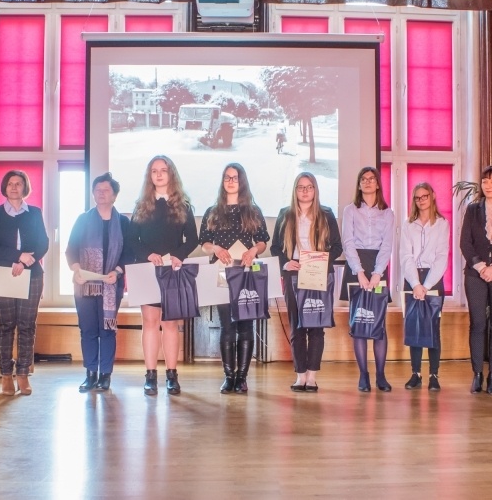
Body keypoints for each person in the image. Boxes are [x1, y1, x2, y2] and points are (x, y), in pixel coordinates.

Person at [129, 156, 198, 396]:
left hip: (173, 270)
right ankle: (150, 376)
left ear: (172, 174)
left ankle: (172, 375)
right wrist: (148, 254)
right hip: (147, 270)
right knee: (150, 323)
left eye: (163, 170)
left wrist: (178, 255)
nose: (158, 175)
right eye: (154, 171)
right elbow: (131, 241)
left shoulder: (184, 205)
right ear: (149, 176)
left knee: (170, 324)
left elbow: (193, 239)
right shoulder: (141, 205)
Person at [199, 163, 270, 394]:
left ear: (242, 182)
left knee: (246, 325)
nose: (231, 181)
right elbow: (204, 244)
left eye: (235, 178)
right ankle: (229, 377)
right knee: (227, 326)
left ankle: (242, 377)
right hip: (221, 271)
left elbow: (262, 240)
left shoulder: (253, 210)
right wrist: (216, 248)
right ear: (222, 181)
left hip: (246, 273)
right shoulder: (212, 211)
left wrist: (254, 251)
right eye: (227, 177)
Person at [271, 172, 343, 392]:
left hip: (318, 273)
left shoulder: (326, 214)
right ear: (295, 190)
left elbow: (338, 247)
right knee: (297, 327)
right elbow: (275, 248)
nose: (305, 191)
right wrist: (285, 263)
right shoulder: (285, 215)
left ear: (315, 190)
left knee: (316, 327)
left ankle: (312, 377)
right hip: (293, 274)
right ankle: (300, 376)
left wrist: (320, 261)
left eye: (309, 187)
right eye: (300, 187)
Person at [0, 170, 49, 396]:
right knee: (5, 325)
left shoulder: (34, 213)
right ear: (5, 187)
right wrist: (17, 257)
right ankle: (5, 375)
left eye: (18, 183)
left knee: (27, 326)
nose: (14, 187)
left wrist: (26, 261)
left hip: (31, 274)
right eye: (10, 183)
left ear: (25, 187)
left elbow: (43, 242)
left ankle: (22, 374)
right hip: (2, 273)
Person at [66, 172, 132, 393]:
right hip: (85, 285)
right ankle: (90, 374)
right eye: (97, 190)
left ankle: (105, 375)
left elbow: (129, 253)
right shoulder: (83, 219)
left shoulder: (123, 222)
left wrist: (118, 271)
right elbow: (71, 250)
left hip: (112, 285)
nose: (101, 194)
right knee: (88, 330)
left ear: (114, 195)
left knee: (107, 330)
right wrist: (77, 270)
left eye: (106, 190)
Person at [459, 165, 492, 395]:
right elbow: (465, 243)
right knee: (478, 324)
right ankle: (477, 374)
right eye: (485, 181)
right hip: (475, 274)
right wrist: (482, 267)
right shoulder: (472, 210)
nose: (488, 185)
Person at [340, 167, 394, 392]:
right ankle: (364, 376)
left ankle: (381, 375)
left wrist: (377, 273)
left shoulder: (388, 213)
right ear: (359, 185)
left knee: (379, 324)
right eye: (364, 179)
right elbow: (348, 242)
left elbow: (387, 244)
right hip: (356, 264)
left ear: (378, 184)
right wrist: (360, 271)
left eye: (372, 179)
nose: (368, 182)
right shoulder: (350, 210)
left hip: (378, 266)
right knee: (359, 321)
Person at [401, 182, 450, 392]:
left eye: (424, 196)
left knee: (433, 329)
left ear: (433, 196)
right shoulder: (407, 224)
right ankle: (416, 374)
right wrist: (416, 284)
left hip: (433, 279)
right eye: (417, 197)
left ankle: (434, 375)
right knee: (414, 328)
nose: (421, 200)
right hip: (412, 280)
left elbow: (441, 257)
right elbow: (405, 256)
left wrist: (426, 285)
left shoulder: (442, 224)